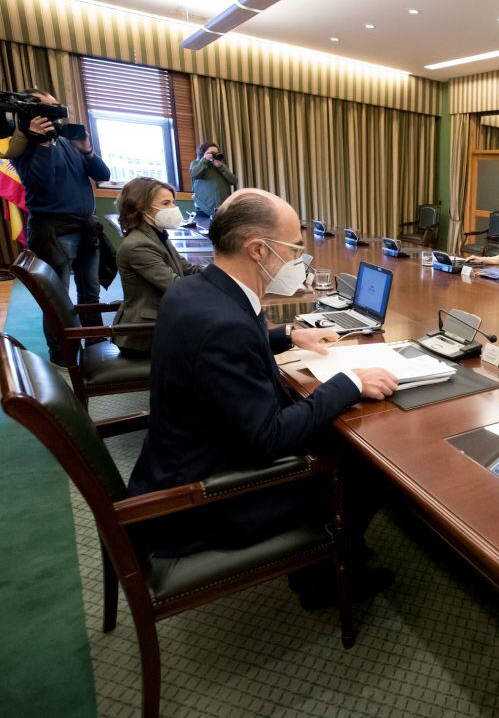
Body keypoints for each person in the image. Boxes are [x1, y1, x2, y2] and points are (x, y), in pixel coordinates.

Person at [127, 188, 399, 607]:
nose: (299, 262)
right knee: (365, 465)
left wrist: (286, 334)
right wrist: (348, 383)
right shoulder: (224, 325)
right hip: (207, 499)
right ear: (257, 250)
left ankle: (332, 555)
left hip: (179, 459)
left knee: (333, 433)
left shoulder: (196, 290)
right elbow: (268, 437)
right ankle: (323, 579)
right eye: (294, 250)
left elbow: (227, 345)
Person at [11, 88, 111, 365]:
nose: (56, 114)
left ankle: (95, 342)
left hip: (86, 228)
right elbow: (40, 182)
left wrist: (88, 151)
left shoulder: (68, 140)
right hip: (53, 232)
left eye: (57, 108)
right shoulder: (24, 144)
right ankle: (63, 356)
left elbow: (103, 175)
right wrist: (42, 143)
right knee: (56, 300)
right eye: (49, 108)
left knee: (90, 292)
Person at [112, 177, 203, 357]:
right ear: (142, 208)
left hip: (160, 321)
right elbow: (177, 286)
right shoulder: (138, 245)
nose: (174, 209)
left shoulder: (157, 235)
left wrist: (226, 269)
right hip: (144, 335)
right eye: (166, 203)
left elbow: (188, 270)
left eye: (173, 202)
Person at [190, 141, 237, 227]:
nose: (213, 155)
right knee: (203, 230)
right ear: (203, 153)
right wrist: (204, 160)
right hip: (202, 207)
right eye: (210, 153)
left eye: (215, 153)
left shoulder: (221, 166)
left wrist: (221, 167)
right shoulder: (196, 163)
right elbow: (194, 174)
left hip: (222, 208)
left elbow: (234, 181)